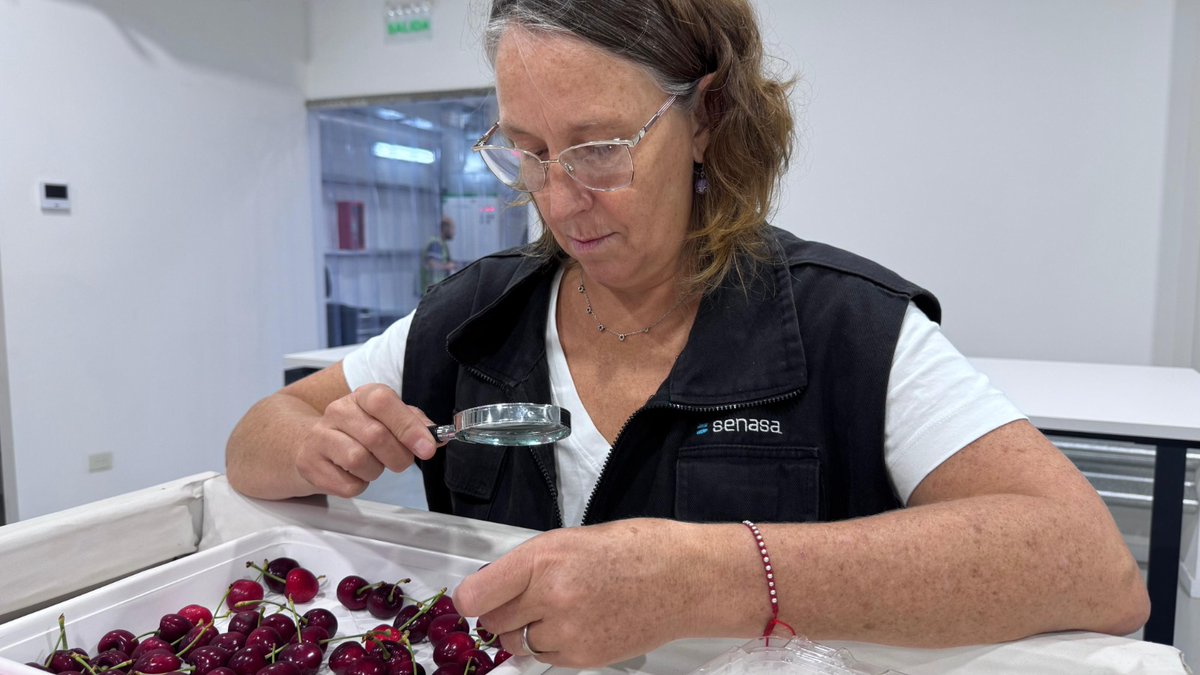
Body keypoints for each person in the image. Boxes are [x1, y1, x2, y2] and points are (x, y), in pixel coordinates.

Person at [226, 0, 1148, 667]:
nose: (558, 197)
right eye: (528, 151)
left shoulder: (844, 325)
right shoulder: (473, 315)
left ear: (705, 117)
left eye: (598, 147)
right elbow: (255, 443)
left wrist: (714, 575)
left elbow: (1091, 568)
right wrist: (317, 441)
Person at [419, 216, 458, 293]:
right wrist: (448, 266)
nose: (454, 232)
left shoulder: (442, 243)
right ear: (445, 229)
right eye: (452, 228)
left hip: (435, 289)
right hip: (432, 290)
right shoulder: (436, 243)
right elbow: (432, 264)